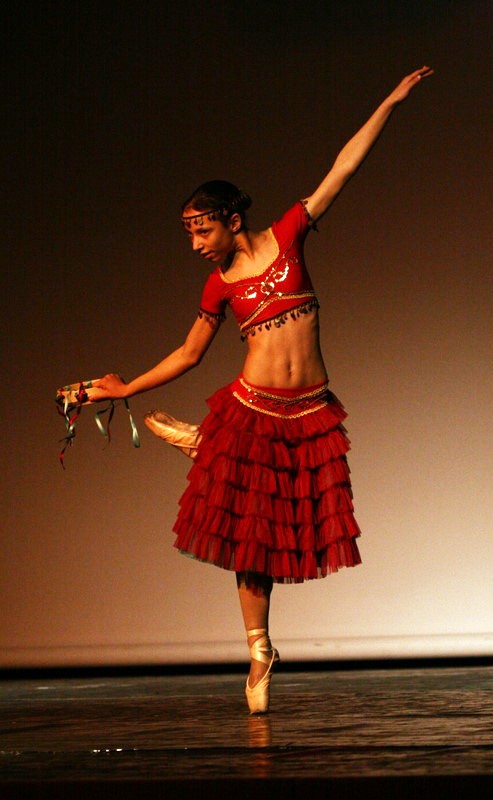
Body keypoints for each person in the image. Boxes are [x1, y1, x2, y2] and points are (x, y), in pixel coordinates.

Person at [87, 66, 433, 714]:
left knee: (282, 531)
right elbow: (190, 353)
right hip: (253, 408)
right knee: (252, 538)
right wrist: (126, 386)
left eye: (202, 230)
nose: (195, 244)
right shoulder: (219, 285)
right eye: (189, 234)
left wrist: (389, 100)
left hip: (309, 413)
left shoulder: (289, 235)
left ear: (232, 219)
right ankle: (259, 649)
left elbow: (343, 168)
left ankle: (206, 447)